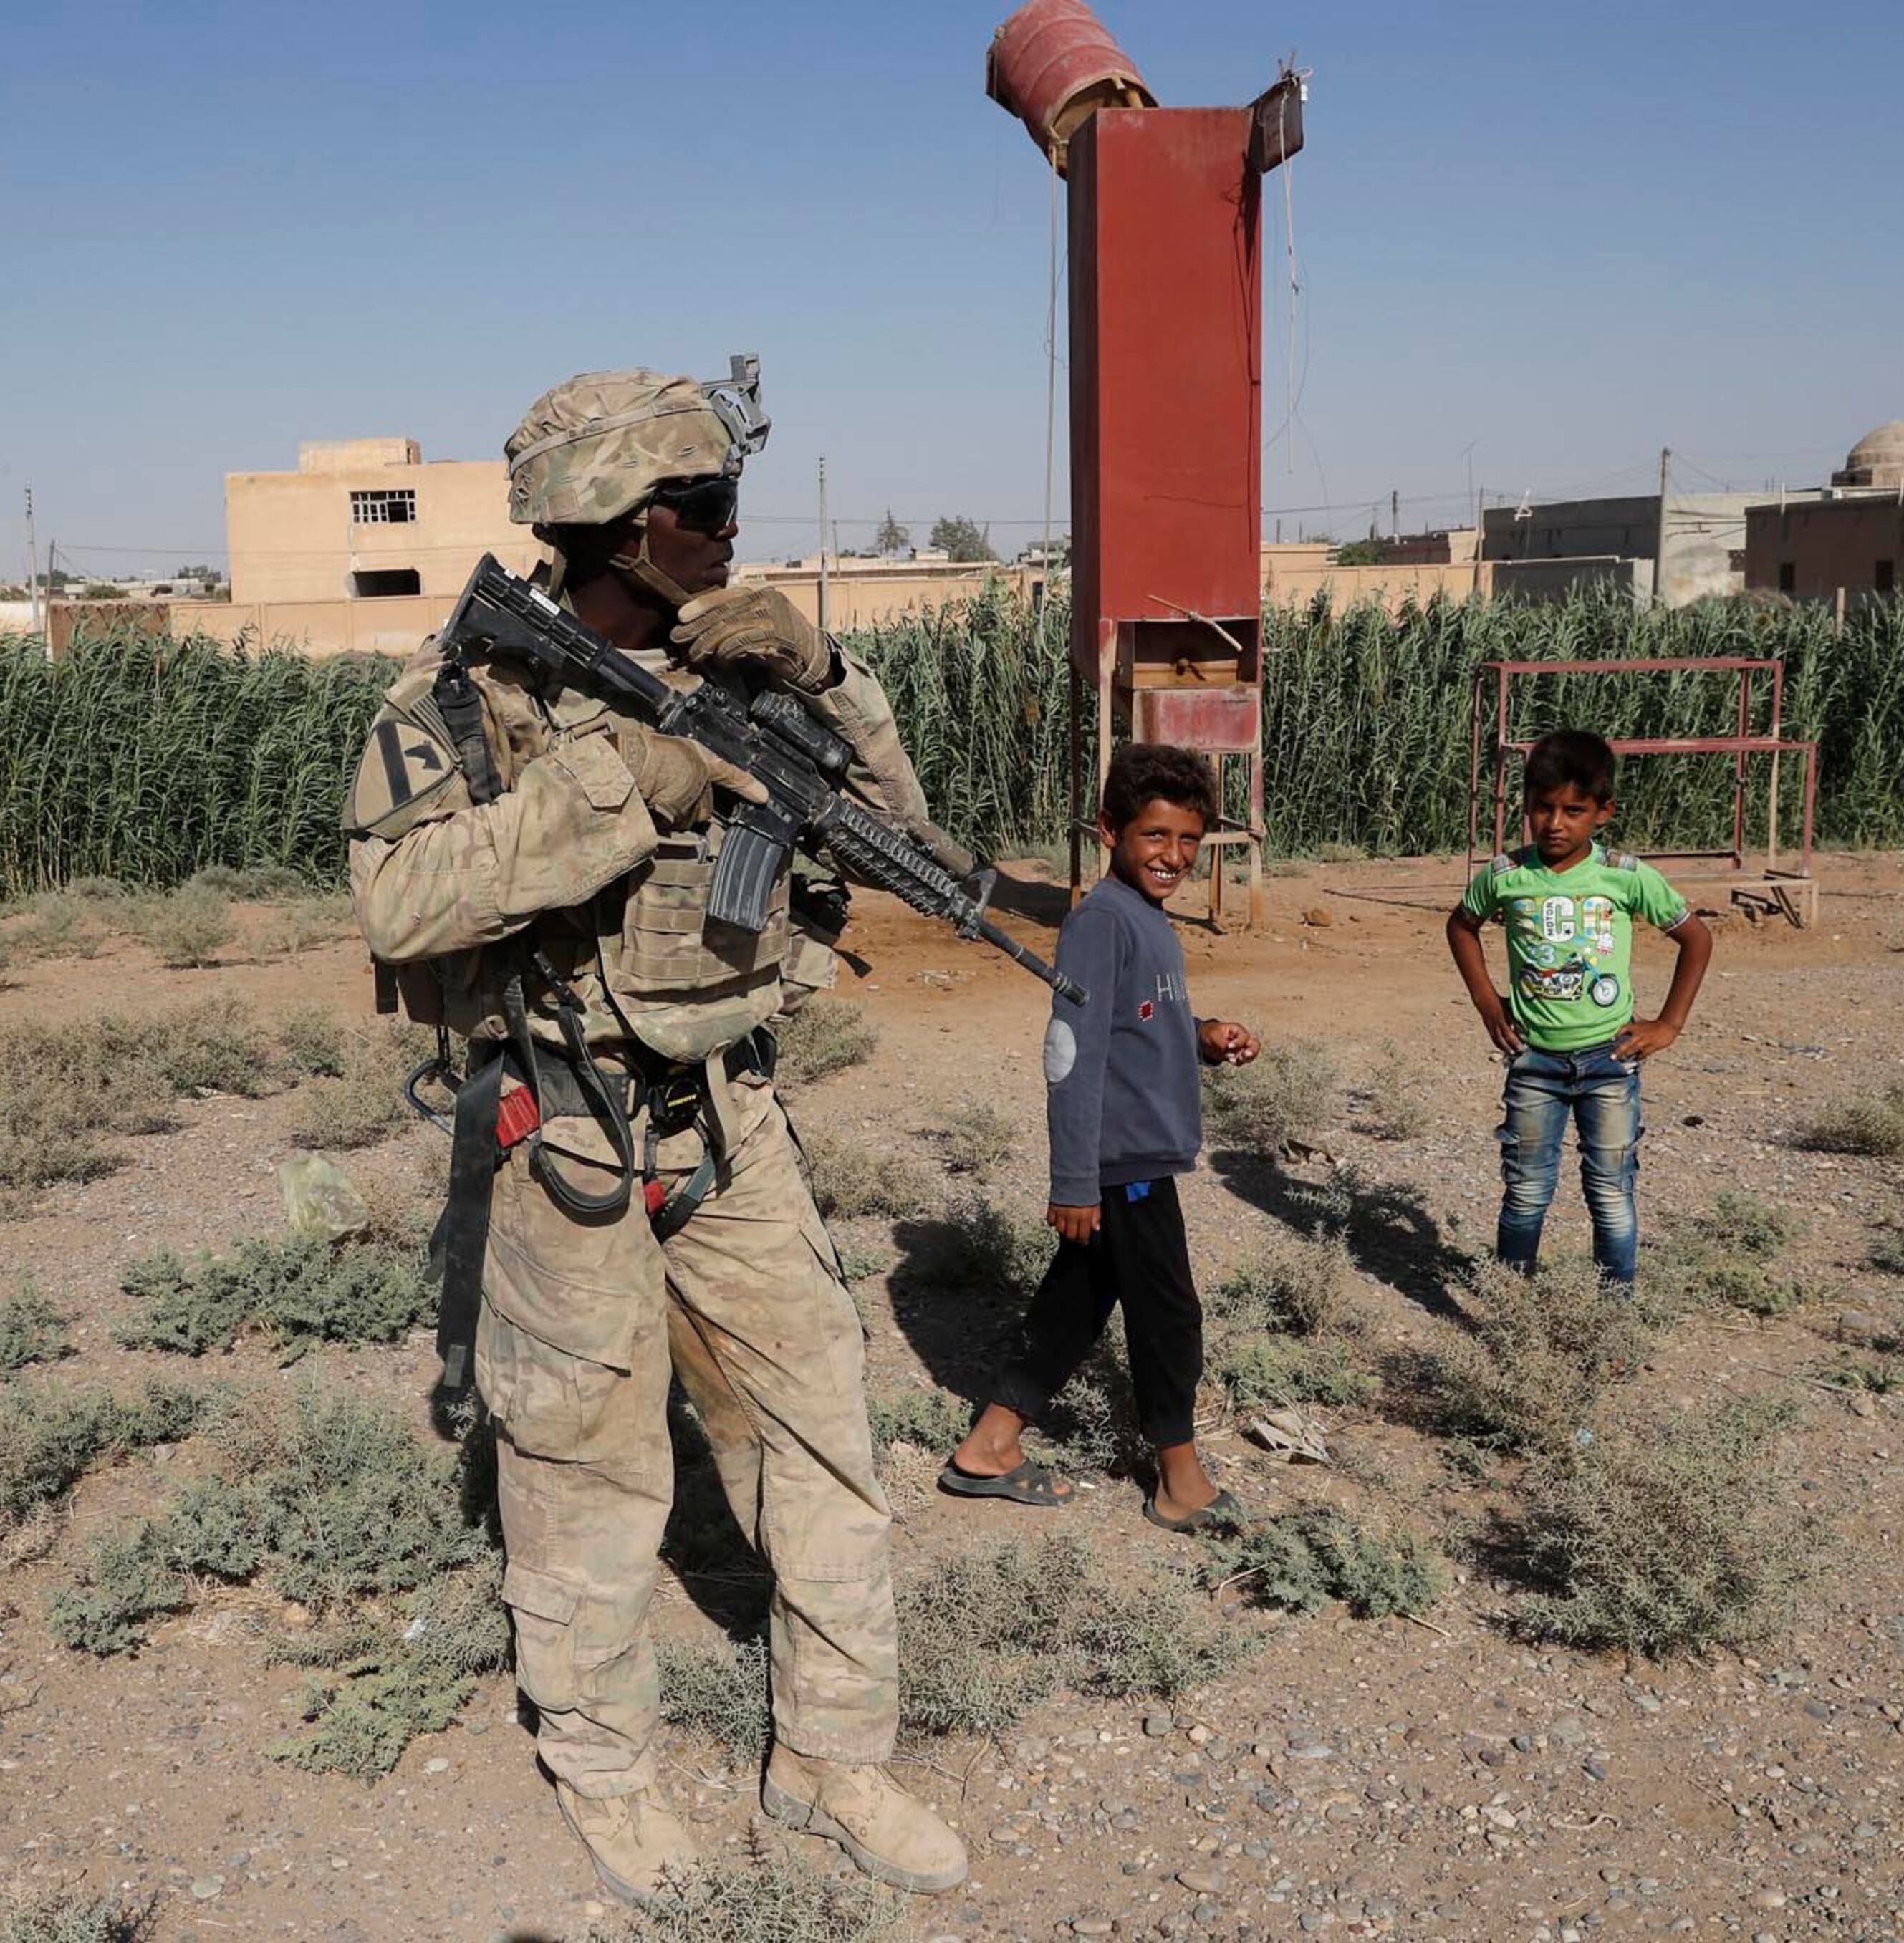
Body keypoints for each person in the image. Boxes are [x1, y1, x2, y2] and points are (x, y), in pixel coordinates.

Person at [342, 358, 969, 1905]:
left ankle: (835, 1757)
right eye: (701, 507)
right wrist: (635, 772)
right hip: (565, 1131)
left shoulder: (746, 672)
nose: (726, 531)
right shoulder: (453, 701)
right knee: (584, 1469)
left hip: (730, 1118)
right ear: (610, 523)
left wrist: (823, 682)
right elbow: (401, 899)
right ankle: (608, 1776)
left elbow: (911, 843)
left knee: (819, 1438)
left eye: (725, 500)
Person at [943, 742, 1260, 1534]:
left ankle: (989, 1447)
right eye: (1155, 836)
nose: (1174, 856)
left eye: (1189, 840)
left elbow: (1138, 1024)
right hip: (1124, 1162)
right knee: (1169, 1316)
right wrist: (1075, 1180)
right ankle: (1180, 1481)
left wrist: (1202, 1035)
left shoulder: (1145, 919)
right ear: (1110, 830)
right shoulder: (1098, 923)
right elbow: (1071, 1056)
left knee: (1074, 1305)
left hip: (1132, 1155)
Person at [1443, 728, 1714, 1288]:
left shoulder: (1624, 875)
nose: (1556, 823)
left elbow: (1697, 939)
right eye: (1543, 808)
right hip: (1534, 1062)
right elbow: (1461, 925)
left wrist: (1669, 1024)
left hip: (1610, 1062)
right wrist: (1487, 1002)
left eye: (1574, 810)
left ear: (1603, 811)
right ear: (1525, 806)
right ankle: (1511, 1310)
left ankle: (1611, 1321)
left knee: (1611, 1192)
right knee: (1526, 1192)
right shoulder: (1506, 875)